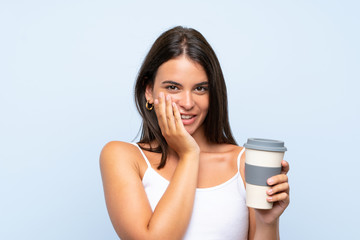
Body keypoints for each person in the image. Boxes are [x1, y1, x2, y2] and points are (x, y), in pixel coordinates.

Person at [100, 26, 290, 240]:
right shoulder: (123, 157)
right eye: (173, 87)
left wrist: (268, 221)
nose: (188, 103)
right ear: (148, 91)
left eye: (200, 88)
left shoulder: (244, 162)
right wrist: (190, 155)